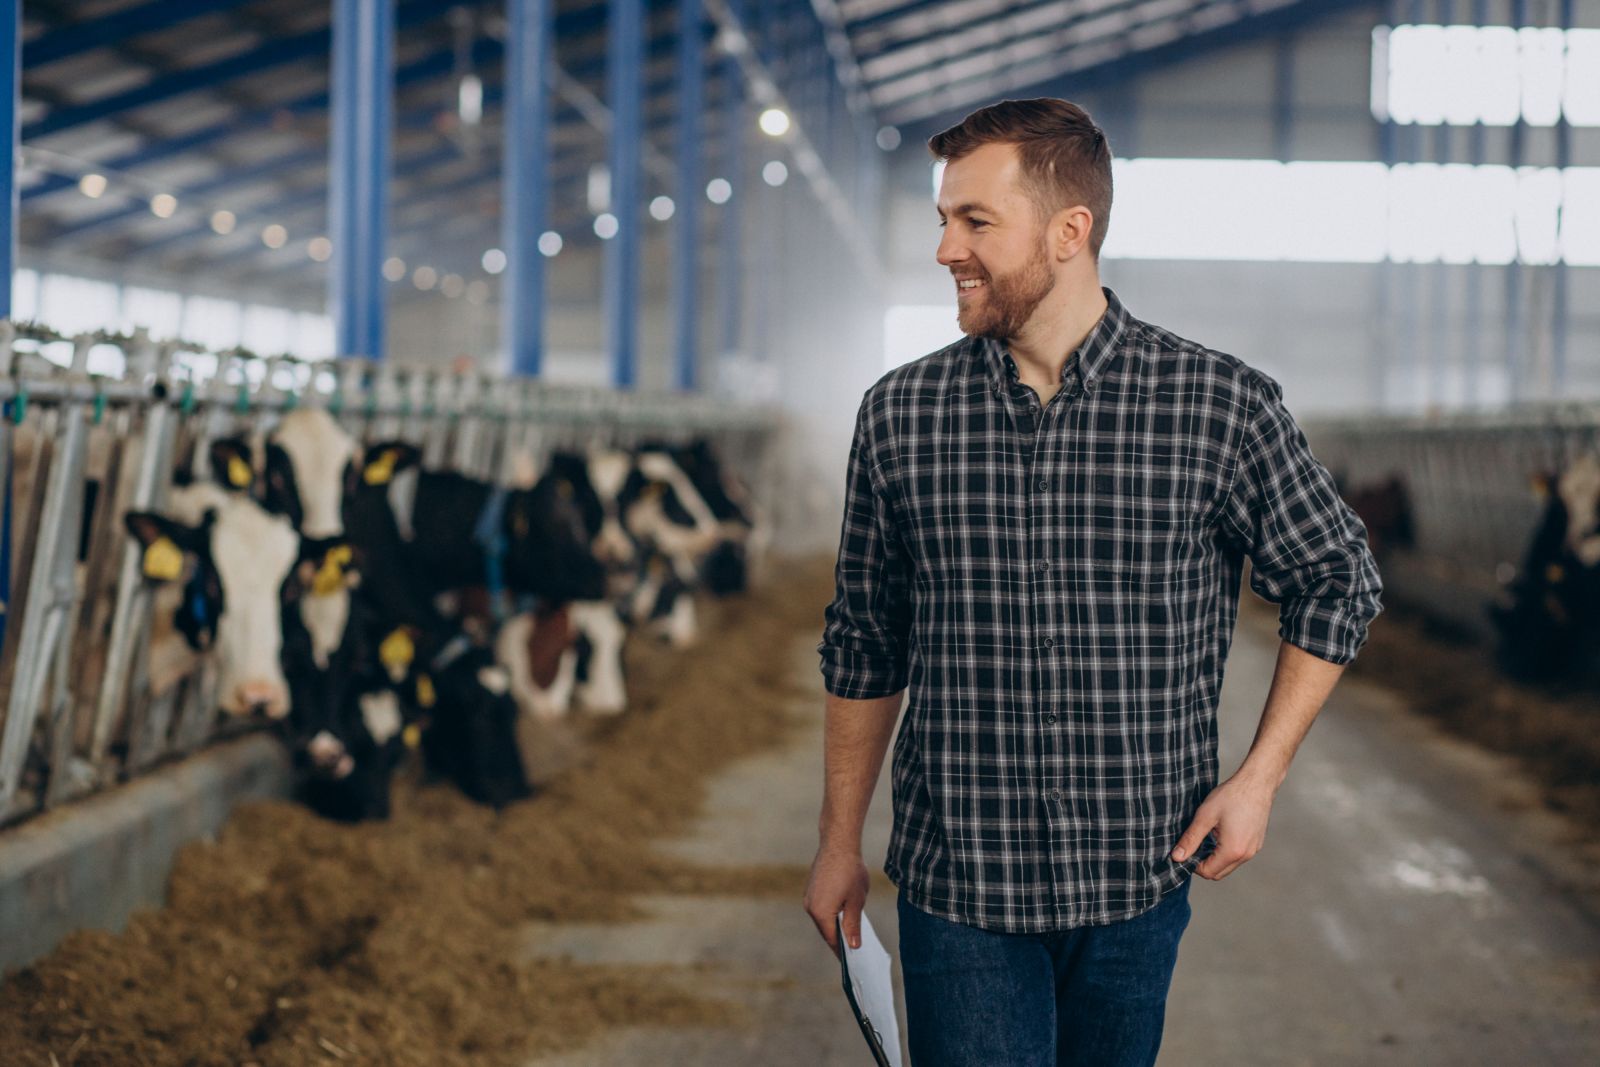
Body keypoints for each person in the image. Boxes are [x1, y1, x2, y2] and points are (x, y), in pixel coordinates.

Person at [803, 97, 1383, 1067]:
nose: (946, 248)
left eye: (974, 221)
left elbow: (1336, 579)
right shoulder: (903, 413)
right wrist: (836, 840)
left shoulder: (1217, 405)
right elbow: (865, 636)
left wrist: (1257, 778)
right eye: (943, 220)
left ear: (1070, 231)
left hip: (1135, 876)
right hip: (961, 885)